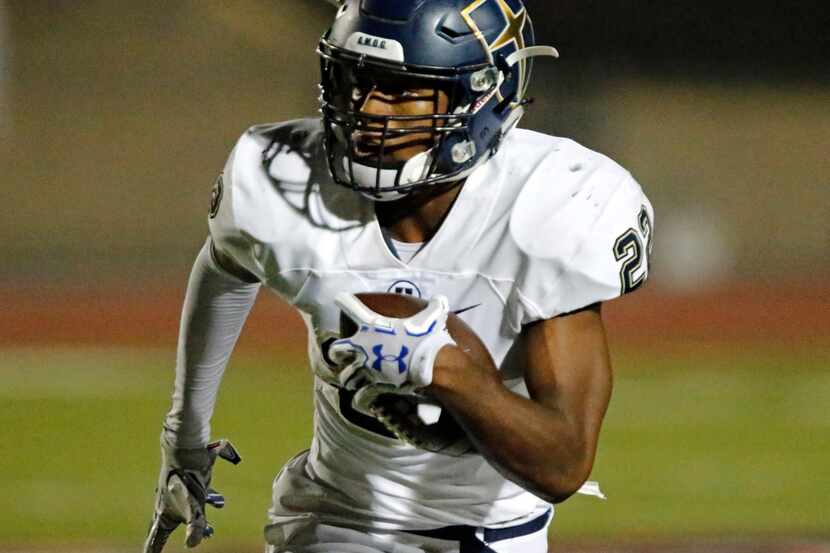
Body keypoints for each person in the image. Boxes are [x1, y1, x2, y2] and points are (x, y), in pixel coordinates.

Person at [144, 1, 654, 552]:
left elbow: (563, 464)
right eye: (357, 80)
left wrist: (445, 369)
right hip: (335, 518)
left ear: (480, 95)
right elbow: (225, 264)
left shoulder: (550, 208)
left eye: (402, 88)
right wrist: (185, 439)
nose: (367, 110)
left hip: (502, 533)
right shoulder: (286, 181)